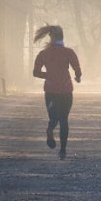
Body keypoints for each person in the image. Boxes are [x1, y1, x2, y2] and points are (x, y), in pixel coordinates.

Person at [32, 25, 81, 159]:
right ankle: (63, 151)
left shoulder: (43, 54)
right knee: (64, 119)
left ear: (50, 37)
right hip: (66, 89)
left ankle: (50, 129)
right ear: (62, 37)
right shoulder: (69, 52)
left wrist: (48, 75)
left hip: (50, 90)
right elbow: (77, 69)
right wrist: (78, 77)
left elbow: (35, 72)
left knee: (54, 117)